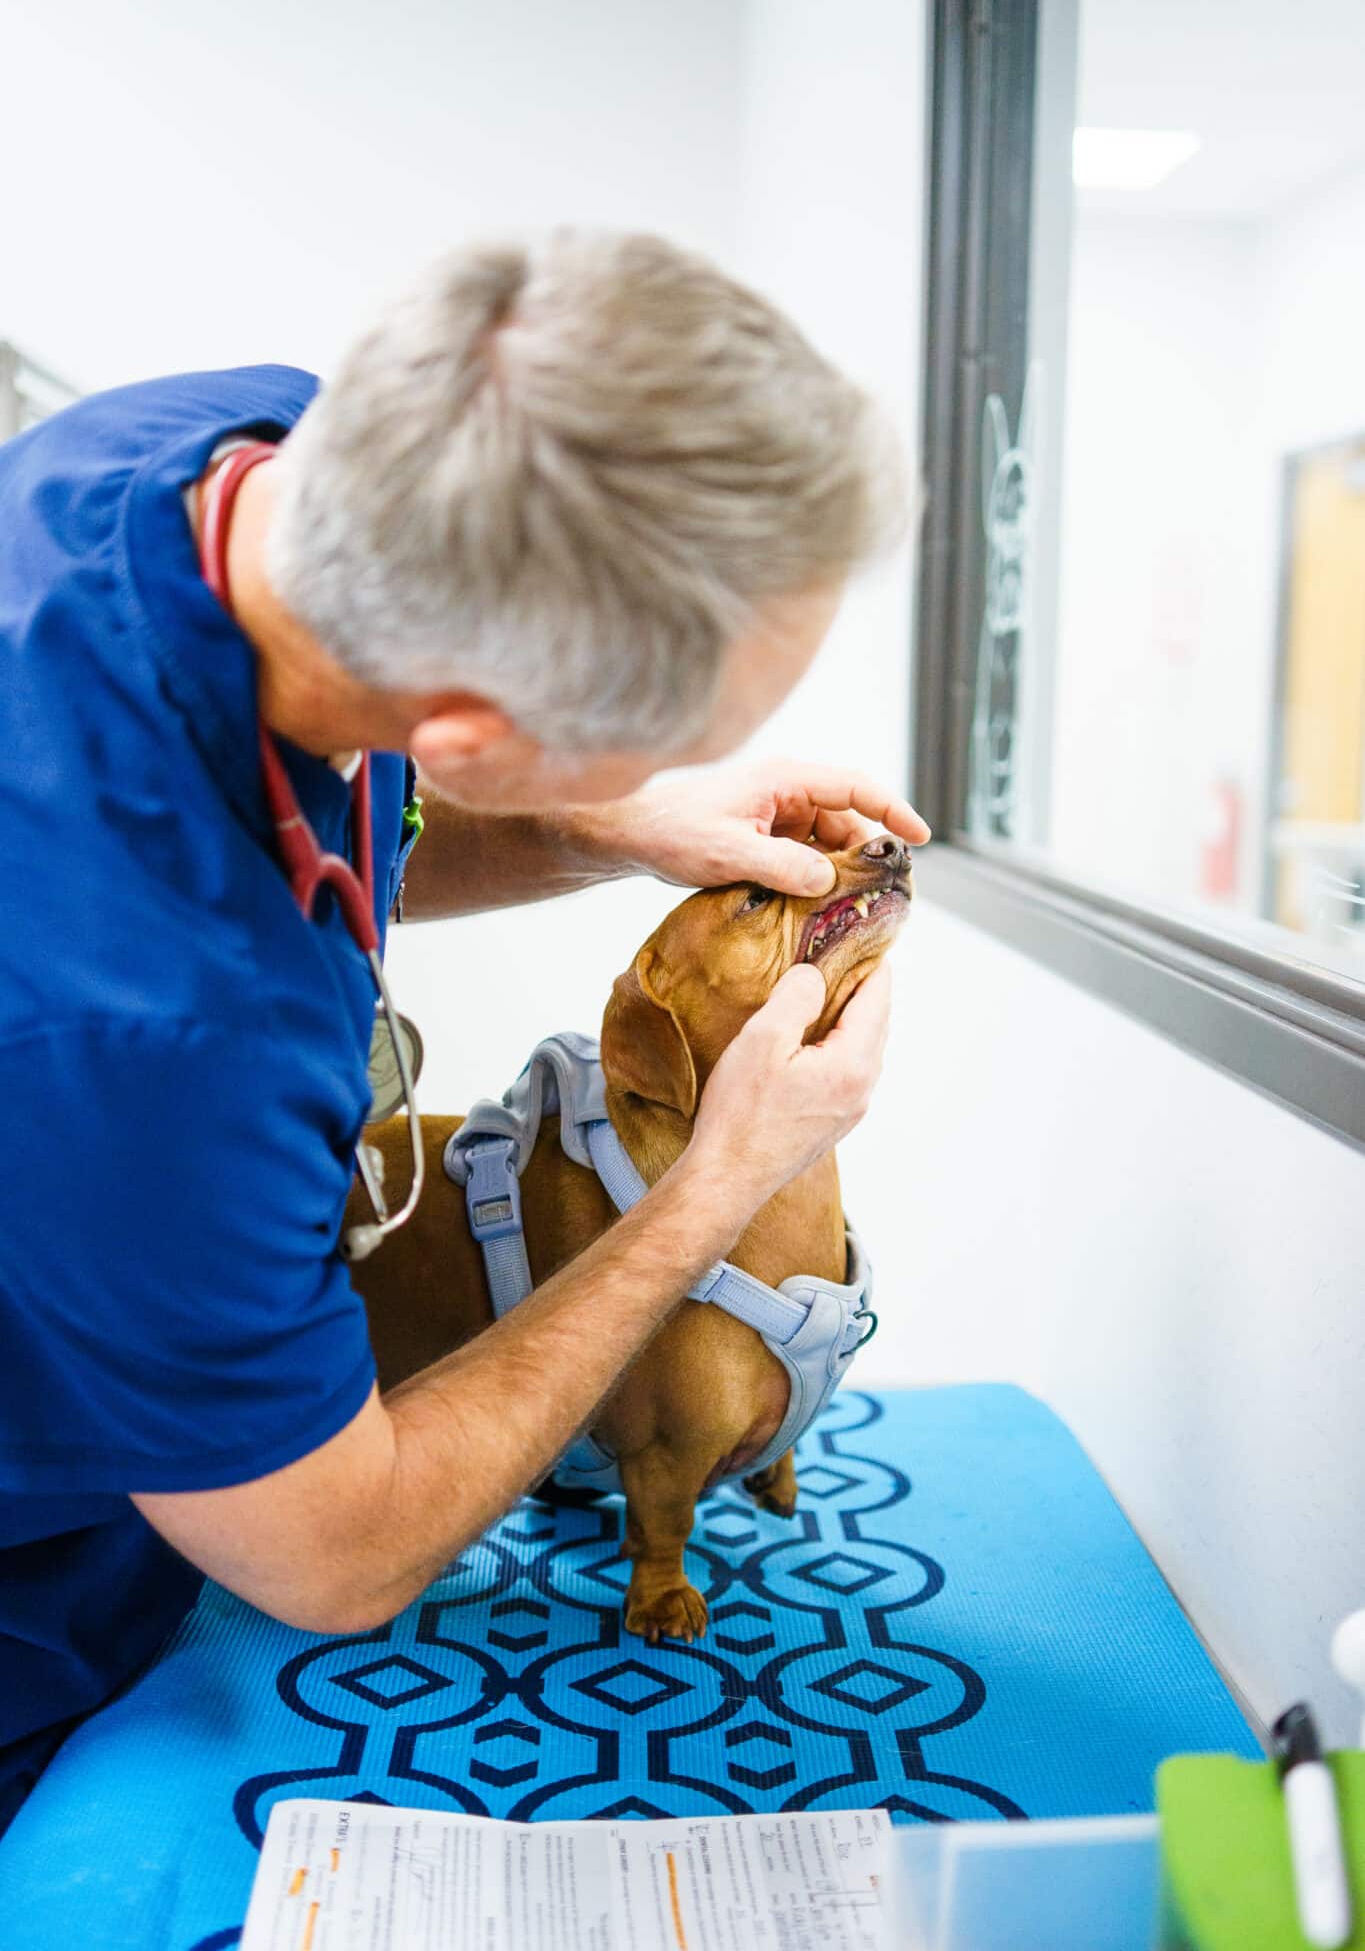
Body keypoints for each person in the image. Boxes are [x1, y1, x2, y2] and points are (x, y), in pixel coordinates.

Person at [0, 229, 928, 1834]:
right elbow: (332, 1559)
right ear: (476, 731)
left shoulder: (244, 449)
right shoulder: (148, 1028)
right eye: (682, 730)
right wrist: (711, 1190)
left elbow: (351, 790)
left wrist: (610, 823)